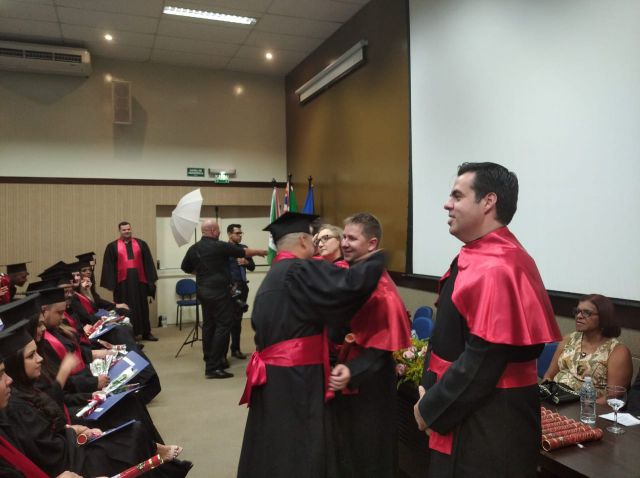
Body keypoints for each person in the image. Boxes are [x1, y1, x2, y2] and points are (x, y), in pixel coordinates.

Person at [413, 162, 561, 478]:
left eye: (457, 195)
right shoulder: (480, 255)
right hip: (466, 411)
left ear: (488, 201)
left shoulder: (500, 265)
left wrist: (431, 408)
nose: (447, 204)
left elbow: (485, 357)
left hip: (487, 425)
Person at [237, 212, 387, 478]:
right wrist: (377, 260)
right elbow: (347, 287)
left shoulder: (274, 274)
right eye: (314, 240)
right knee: (301, 446)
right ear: (304, 241)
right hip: (297, 378)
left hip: (273, 377)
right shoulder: (298, 269)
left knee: (275, 441)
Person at [328, 213, 411, 478]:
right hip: (344, 375)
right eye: (343, 236)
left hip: (369, 384)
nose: (344, 243)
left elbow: (380, 350)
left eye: (352, 238)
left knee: (369, 451)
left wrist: (351, 371)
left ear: (372, 243)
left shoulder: (382, 291)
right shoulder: (347, 272)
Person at [181, 220, 266, 379]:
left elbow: (185, 267)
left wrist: (202, 273)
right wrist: (261, 251)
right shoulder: (219, 246)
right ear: (213, 230)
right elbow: (243, 252)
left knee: (208, 325)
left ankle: (208, 359)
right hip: (219, 293)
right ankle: (214, 366)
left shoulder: (193, 248)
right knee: (224, 325)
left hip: (203, 292)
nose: (219, 232)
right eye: (218, 230)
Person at [543, 294, 632, 404]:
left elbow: (612, 397)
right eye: (577, 311)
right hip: (555, 399)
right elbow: (549, 376)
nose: (579, 316)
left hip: (588, 408)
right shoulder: (568, 339)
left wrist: (583, 409)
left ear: (603, 317)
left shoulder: (618, 351)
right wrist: (545, 394)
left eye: (586, 313)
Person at [100, 222, 158, 341]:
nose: (127, 231)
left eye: (128, 229)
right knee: (125, 309)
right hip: (123, 284)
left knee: (143, 307)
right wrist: (111, 284)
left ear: (131, 229)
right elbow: (109, 265)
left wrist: (150, 281)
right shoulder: (112, 246)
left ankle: (146, 332)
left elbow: (148, 262)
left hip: (139, 282)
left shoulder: (141, 244)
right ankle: (128, 335)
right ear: (120, 231)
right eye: (124, 230)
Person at [227, 223, 256, 360]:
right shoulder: (224, 249)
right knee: (228, 320)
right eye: (237, 233)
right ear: (229, 234)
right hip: (231, 288)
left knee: (237, 320)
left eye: (240, 233)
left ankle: (236, 349)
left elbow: (252, 267)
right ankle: (223, 353)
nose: (240, 235)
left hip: (243, 287)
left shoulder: (244, 248)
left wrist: (246, 262)